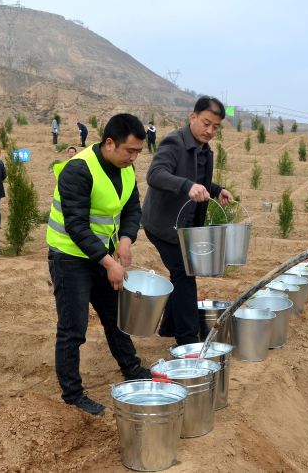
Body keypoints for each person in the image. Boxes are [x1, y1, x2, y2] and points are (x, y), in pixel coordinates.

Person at [46, 113, 151, 415]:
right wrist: (109, 263)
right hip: (69, 257)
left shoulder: (126, 169)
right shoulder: (78, 170)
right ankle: (72, 396)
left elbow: (132, 209)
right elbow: (76, 226)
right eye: (129, 151)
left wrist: (126, 239)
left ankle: (132, 369)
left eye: (138, 152)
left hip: (100, 255)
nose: (133, 158)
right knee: (73, 328)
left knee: (115, 316)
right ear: (109, 143)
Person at [141, 96, 234, 345]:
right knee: (184, 274)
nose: (210, 131)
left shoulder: (204, 149)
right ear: (193, 117)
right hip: (163, 224)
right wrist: (186, 186)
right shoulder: (174, 142)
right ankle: (188, 340)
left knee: (180, 273)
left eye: (215, 127)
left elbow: (198, 179)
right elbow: (155, 174)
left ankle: (169, 327)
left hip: (185, 226)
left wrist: (216, 190)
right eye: (206, 123)